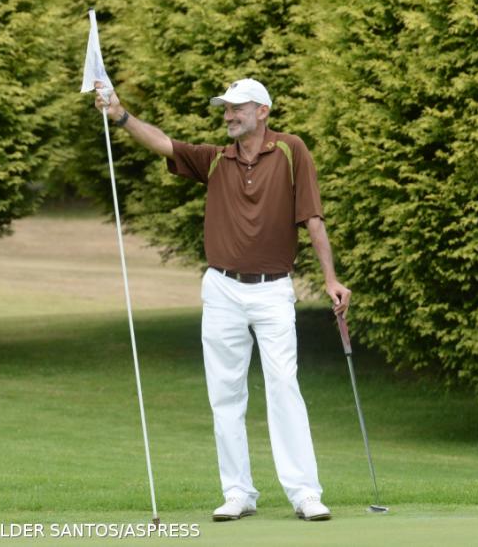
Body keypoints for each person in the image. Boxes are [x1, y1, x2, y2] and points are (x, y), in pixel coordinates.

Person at [94, 78, 350, 521]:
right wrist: (120, 115)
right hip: (222, 289)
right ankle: (238, 493)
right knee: (225, 393)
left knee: (284, 387)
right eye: (226, 109)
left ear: (262, 111)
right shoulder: (216, 159)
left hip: (273, 290)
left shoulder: (292, 150)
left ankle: (305, 492)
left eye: (237, 109)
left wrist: (330, 279)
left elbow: (312, 219)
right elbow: (164, 144)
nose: (228, 115)